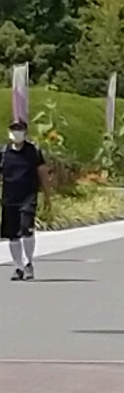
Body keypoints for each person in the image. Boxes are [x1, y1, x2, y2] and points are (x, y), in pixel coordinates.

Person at [1, 119, 51, 281]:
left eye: (19, 129)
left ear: (25, 132)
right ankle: (18, 267)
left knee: (26, 229)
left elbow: (42, 172)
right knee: (13, 235)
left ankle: (29, 262)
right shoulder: (4, 152)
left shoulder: (33, 152)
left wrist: (47, 195)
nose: (16, 132)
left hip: (28, 197)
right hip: (9, 198)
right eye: (14, 129)